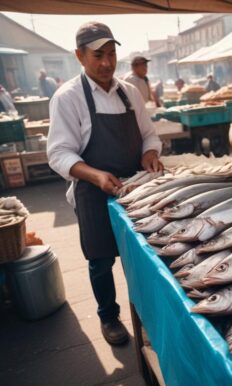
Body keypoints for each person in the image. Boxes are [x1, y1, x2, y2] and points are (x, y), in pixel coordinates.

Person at [47, 22, 163, 346]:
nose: (107, 63)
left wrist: (150, 154)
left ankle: (146, 314)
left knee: (140, 256)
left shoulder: (129, 93)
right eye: (98, 55)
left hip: (133, 190)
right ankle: (108, 317)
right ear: (79, 56)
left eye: (111, 54)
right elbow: (58, 153)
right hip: (92, 192)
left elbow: (149, 135)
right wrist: (96, 175)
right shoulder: (68, 98)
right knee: (100, 259)